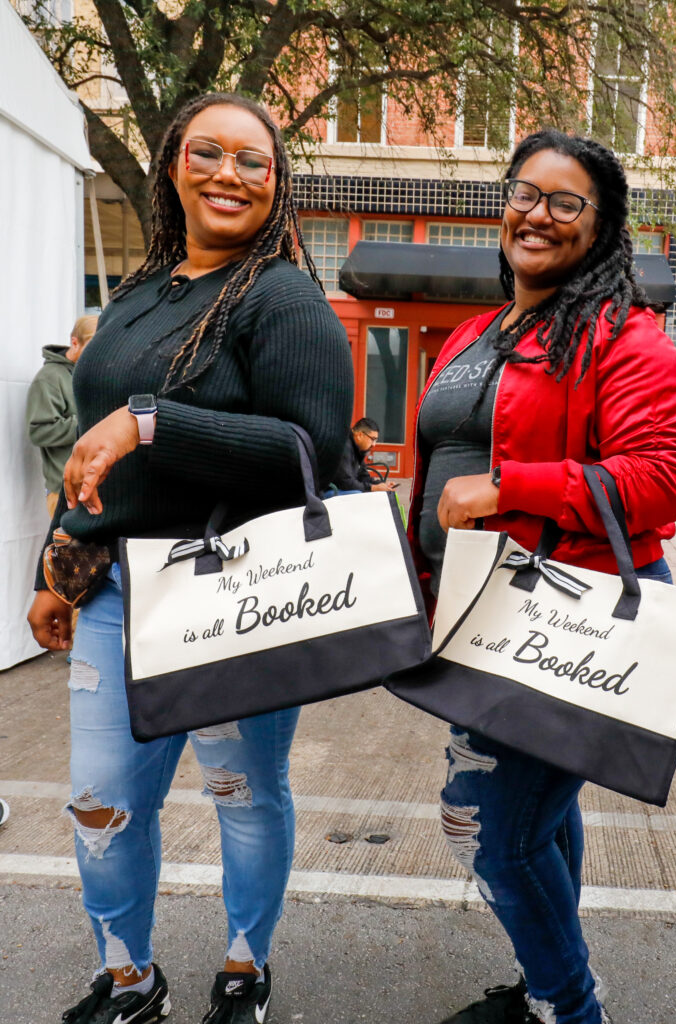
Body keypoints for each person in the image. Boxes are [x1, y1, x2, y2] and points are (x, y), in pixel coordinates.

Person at [27, 93, 353, 1024]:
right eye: (208, 152)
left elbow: (309, 449)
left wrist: (153, 422)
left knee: (242, 796)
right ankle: (129, 977)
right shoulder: (141, 292)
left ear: (277, 183)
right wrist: (54, 561)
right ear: (173, 165)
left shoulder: (282, 295)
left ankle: (246, 967)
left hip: (234, 595)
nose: (230, 174)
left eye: (254, 161)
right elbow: (94, 442)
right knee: (99, 803)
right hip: (114, 594)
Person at [407, 130, 676, 1024]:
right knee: (534, 818)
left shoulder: (624, 334)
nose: (537, 213)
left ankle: (570, 1007)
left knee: (488, 827)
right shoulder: (481, 330)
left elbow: (663, 478)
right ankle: (550, 988)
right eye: (525, 192)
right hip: (473, 612)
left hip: (555, 619)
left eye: (566, 202)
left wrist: (509, 487)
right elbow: (449, 452)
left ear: (601, 227)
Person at [26, 315, 99, 516]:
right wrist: (92, 422)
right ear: (74, 342)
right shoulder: (49, 378)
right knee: (68, 548)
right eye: (92, 347)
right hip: (66, 493)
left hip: (95, 488)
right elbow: (39, 432)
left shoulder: (90, 373)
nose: (97, 355)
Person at [329, 416, 397, 493]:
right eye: (372, 439)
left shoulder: (358, 448)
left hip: (344, 488)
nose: (374, 444)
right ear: (360, 435)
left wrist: (381, 485)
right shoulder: (344, 447)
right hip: (330, 490)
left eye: (376, 440)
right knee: (358, 494)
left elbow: (363, 476)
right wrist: (373, 487)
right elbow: (345, 482)